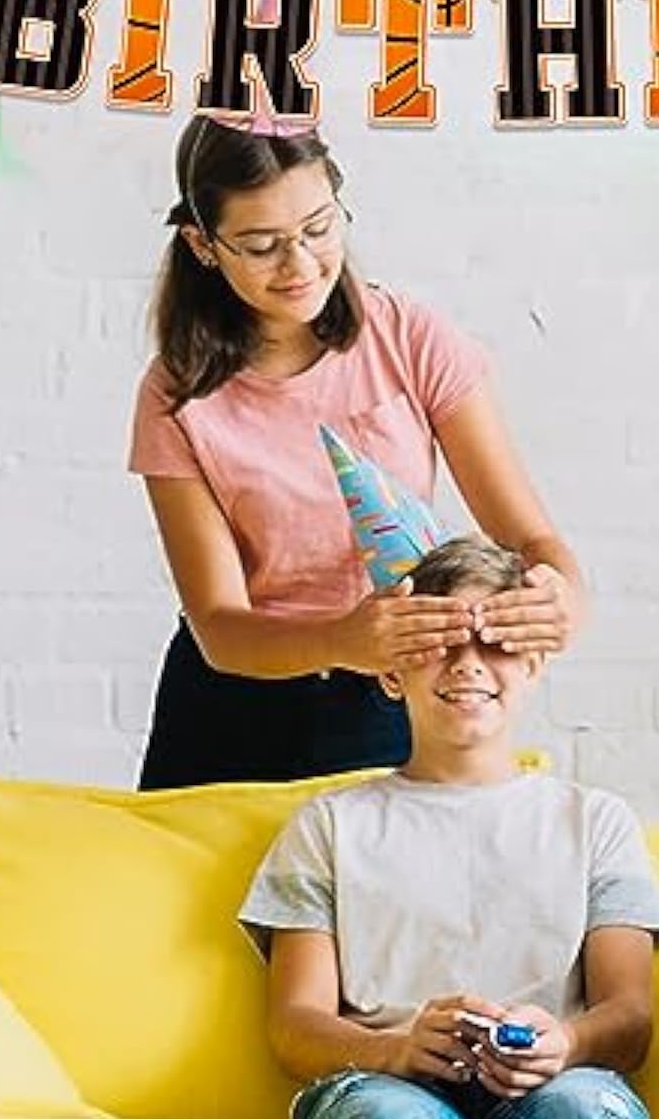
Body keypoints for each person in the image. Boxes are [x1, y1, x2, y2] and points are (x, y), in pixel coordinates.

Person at [128, 110, 584, 788]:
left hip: (391, 692)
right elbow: (220, 629)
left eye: (318, 228)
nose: (300, 264)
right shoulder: (176, 396)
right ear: (203, 244)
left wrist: (559, 596)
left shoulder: (409, 339)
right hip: (231, 710)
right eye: (261, 245)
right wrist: (339, 639)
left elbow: (531, 539)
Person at [241, 536, 659, 1119]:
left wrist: (564, 1041)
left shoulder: (595, 822)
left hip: (555, 1082)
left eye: (495, 642)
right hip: (385, 1083)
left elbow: (630, 1018)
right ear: (390, 672)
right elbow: (295, 1025)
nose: (468, 663)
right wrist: (395, 1050)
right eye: (439, 642)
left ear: (533, 661)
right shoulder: (328, 826)